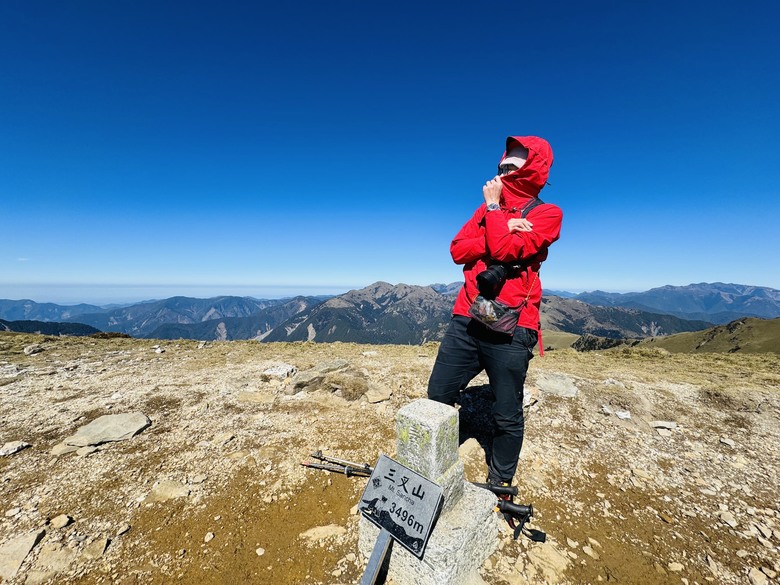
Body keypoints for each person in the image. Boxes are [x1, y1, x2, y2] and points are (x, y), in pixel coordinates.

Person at [427, 135, 563, 490]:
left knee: (506, 412)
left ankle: (500, 483)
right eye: (501, 165)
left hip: (513, 325)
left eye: (511, 166)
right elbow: (458, 250)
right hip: (469, 315)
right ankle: (431, 460)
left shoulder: (547, 214)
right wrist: (500, 221)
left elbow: (504, 251)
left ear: (533, 169)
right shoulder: (485, 210)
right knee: (439, 392)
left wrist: (493, 214)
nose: (502, 171)